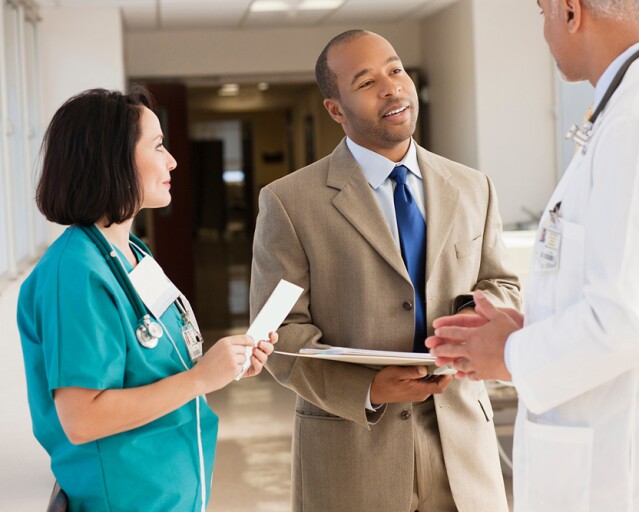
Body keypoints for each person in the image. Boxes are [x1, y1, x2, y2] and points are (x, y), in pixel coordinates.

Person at [427, 1, 639, 510]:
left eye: (542, 13)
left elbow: (632, 319)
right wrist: (528, 328)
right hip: (630, 445)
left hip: (634, 467)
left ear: (570, 10)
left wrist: (510, 354)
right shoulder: (637, 105)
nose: (545, 30)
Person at [249, 30, 520, 512]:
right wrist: (369, 388)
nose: (392, 88)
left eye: (396, 70)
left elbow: (502, 284)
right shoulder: (290, 202)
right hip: (351, 455)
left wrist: (466, 327)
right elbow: (278, 334)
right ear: (336, 109)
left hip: (462, 451)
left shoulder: (472, 186)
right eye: (367, 81)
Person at [17, 88, 278, 512]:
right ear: (113, 160)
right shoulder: (75, 273)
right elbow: (83, 418)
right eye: (158, 146)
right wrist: (199, 380)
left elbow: (156, 366)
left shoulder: (131, 253)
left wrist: (221, 367)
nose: (172, 160)